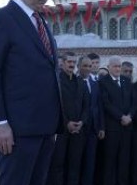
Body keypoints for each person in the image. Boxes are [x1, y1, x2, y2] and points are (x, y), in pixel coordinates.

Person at [0, 0, 63, 185]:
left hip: (44, 128)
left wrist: (52, 125)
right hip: (16, 130)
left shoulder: (41, 22)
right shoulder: (2, 20)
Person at [48, 52, 88, 185]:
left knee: (75, 166)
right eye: (69, 62)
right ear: (63, 63)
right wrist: (67, 123)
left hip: (78, 132)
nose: (72, 65)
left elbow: (86, 105)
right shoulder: (56, 81)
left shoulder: (80, 82)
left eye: (73, 62)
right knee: (58, 166)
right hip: (61, 131)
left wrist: (82, 122)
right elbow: (53, 105)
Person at [100, 56, 136, 185]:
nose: (117, 68)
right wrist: (121, 117)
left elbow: (134, 102)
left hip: (127, 129)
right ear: (109, 67)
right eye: (114, 66)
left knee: (124, 161)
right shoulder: (103, 82)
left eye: (119, 66)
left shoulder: (127, 81)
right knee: (110, 162)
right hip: (112, 129)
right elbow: (106, 103)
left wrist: (130, 116)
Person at [76, 55, 104, 185]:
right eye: (85, 66)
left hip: (93, 130)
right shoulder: (74, 82)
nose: (87, 68)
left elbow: (99, 106)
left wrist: (101, 127)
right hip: (78, 130)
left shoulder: (95, 84)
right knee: (77, 163)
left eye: (89, 66)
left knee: (90, 163)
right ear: (79, 67)